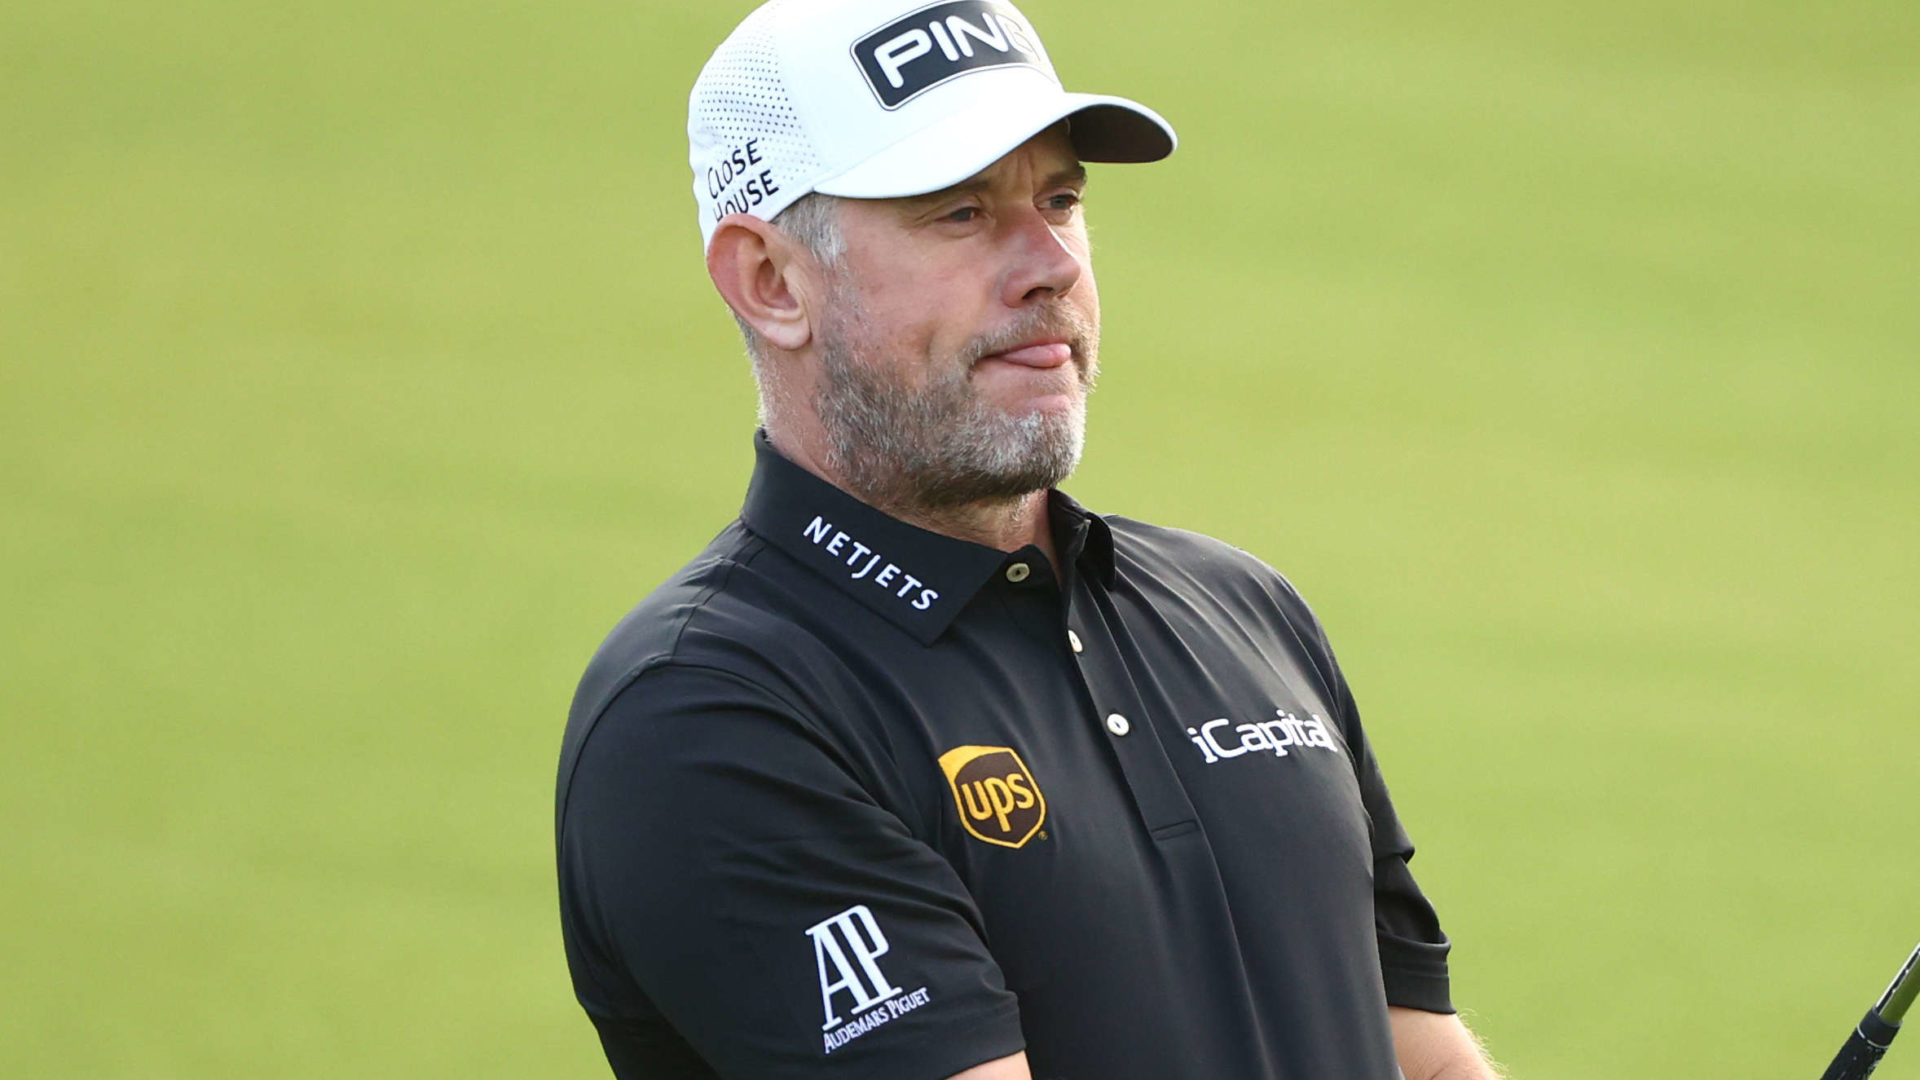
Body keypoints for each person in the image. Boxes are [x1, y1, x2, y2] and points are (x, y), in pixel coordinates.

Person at [556, 1, 1506, 1077]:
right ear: (773, 282)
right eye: (960, 213)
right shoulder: (712, 714)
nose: (1049, 261)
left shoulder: (1242, 609)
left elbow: (1416, 1053)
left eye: (1060, 198)